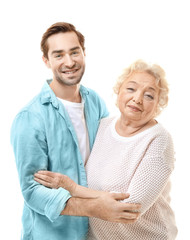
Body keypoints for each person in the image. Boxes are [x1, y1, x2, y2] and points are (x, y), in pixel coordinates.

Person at [10, 22, 140, 240]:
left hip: (95, 231)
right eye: (59, 55)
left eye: (74, 52)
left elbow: (108, 156)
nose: (69, 62)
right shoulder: (30, 118)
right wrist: (93, 207)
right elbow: (32, 191)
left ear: (84, 53)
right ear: (46, 60)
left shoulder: (95, 102)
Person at [34, 60, 178, 239]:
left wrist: (71, 188)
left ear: (158, 105)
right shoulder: (101, 126)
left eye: (149, 95)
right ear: (118, 91)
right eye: (131, 89)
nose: (137, 99)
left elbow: (130, 208)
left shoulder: (158, 139)